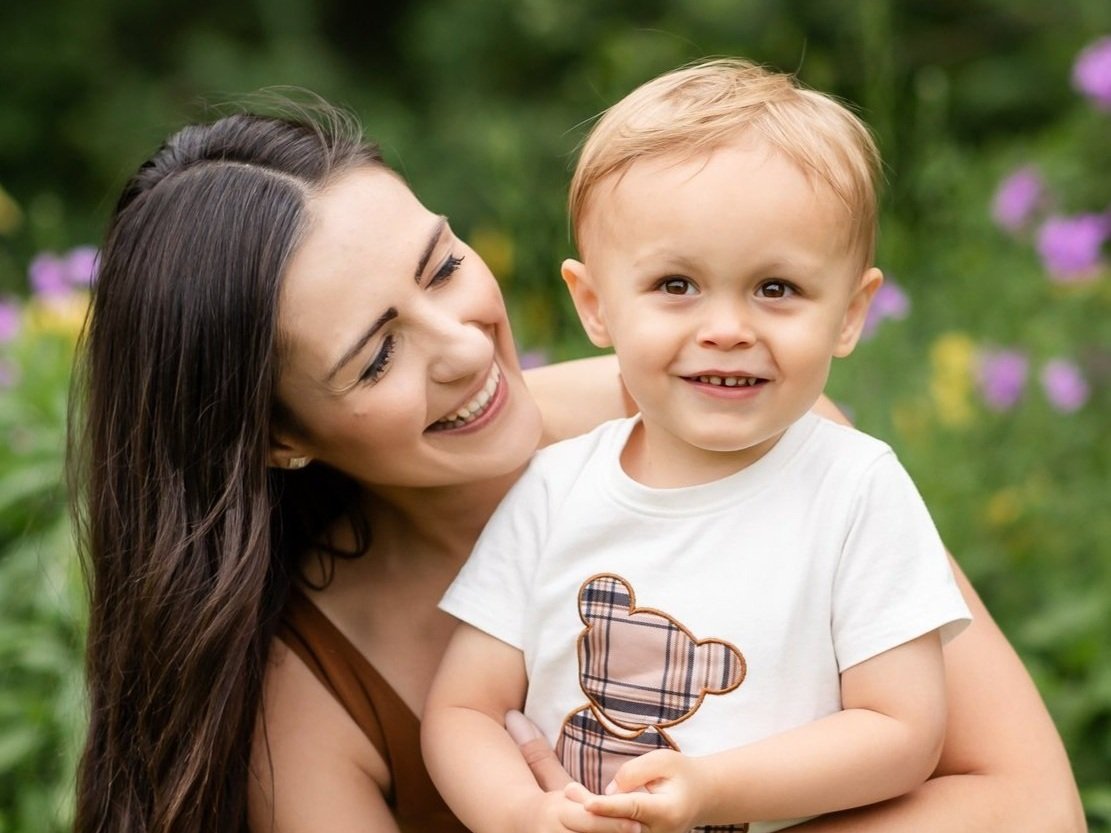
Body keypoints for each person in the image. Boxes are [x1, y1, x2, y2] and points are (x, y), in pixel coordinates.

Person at [66, 95, 1085, 833]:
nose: (463, 344)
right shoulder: (305, 692)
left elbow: (1031, 805)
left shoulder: (730, 412)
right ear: (278, 436)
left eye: (444, 265)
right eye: (377, 353)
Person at [422, 58, 973, 833]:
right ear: (596, 304)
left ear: (850, 313)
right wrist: (520, 814)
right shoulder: (554, 489)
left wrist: (712, 788)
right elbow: (462, 709)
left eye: (775, 288)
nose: (726, 328)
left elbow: (902, 730)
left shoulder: (853, 488)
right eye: (676, 285)